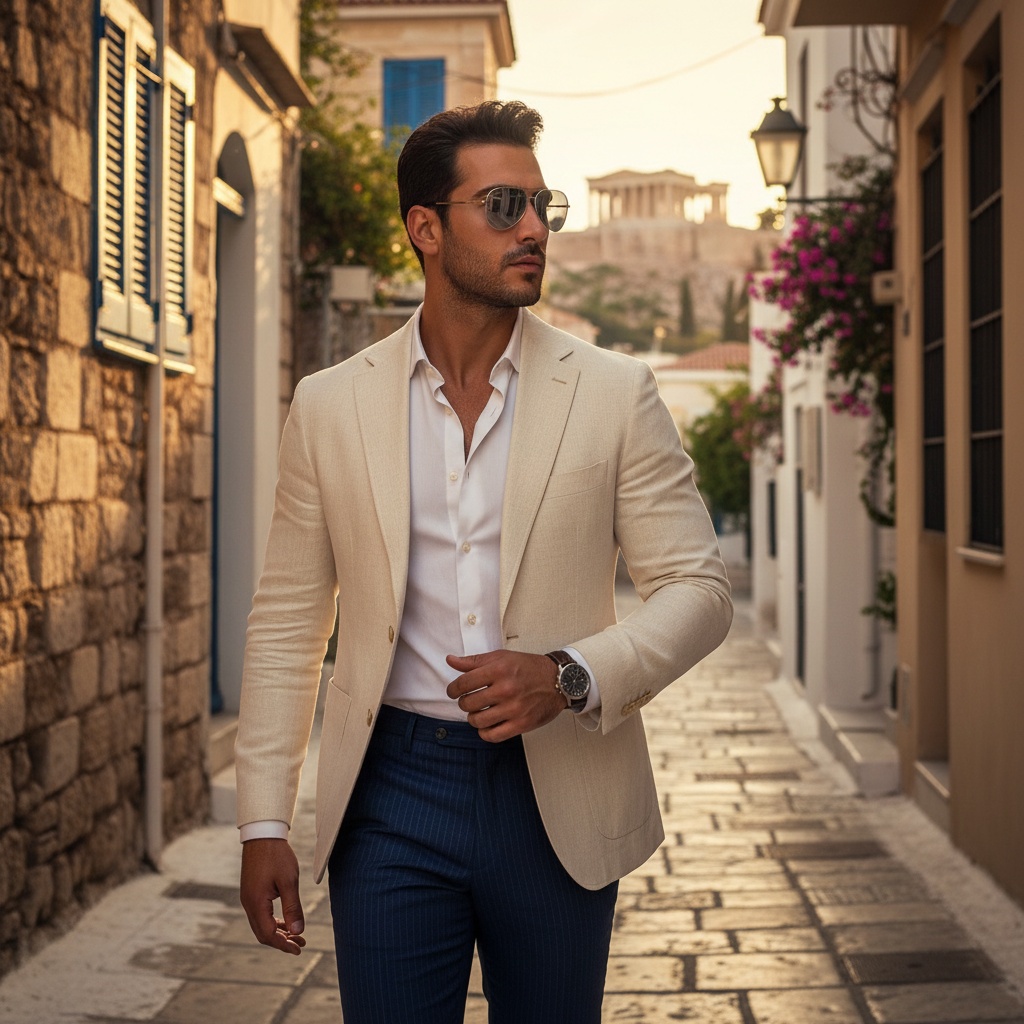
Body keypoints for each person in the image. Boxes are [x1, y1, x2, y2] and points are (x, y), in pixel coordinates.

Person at [235, 100, 732, 1023]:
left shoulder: (616, 392)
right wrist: (264, 817)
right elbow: (287, 621)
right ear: (425, 228)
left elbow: (699, 590)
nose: (535, 229)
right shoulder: (330, 405)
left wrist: (569, 673)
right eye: (504, 206)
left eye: (545, 207)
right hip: (390, 790)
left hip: (561, 787)